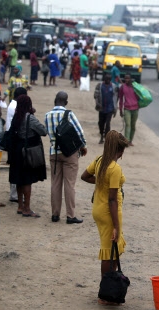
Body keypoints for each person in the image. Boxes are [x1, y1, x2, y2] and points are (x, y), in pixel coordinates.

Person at [80, 130, 130, 306]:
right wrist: (116, 225)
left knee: (113, 249)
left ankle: (111, 288)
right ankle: (106, 293)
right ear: (120, 150)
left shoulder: (100, 161)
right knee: (108, 252)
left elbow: (85, 176)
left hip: (99, 210)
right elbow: (112, 199)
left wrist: (101, 182)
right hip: (109, 213)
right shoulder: (114, 169)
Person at [45, 91, 88, 223]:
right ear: (66, 102)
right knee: (69, 184)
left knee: (55, 184)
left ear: (55, 100)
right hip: (69, 154)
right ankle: (70, 215)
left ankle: (55, 214)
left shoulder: (47, 116)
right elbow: (80, 132)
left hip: (54, 153)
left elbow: (49, 133)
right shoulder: (69, 114)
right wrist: (83, 147)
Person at [8, 95, 47, 218]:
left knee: (19, 179)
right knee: (27, 181)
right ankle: (27, 208)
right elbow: (43, 131)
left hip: (16, 151)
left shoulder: (16, 117)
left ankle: (20, 206)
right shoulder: (30, 118)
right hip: (27, 152)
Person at [4, 87, 28, 203]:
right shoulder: (15, 107)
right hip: (15, 139)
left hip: (12, 138)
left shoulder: (12, 105)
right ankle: (15, 194)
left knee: (14, 166)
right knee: (16, 167)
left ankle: (15, 193)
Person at [117, 74, 139, 146]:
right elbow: (120, 99)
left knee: (133, 126)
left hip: (135, 108)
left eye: (128, 78)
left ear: (130, 79)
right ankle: (126, 141)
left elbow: (139, 96)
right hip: (127, 108)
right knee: (128, 124)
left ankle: (130, 141)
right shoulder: (122, 87)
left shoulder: (135, 87)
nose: (127, 80)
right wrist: (120, 109)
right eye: (125, 78)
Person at [94, 73, 116, 144]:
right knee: (101, 123)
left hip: (110, 108)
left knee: (108, 123)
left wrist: (115, 108)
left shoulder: (113, 86)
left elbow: (115, 97)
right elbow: (96, 95)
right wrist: (97, 103)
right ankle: (101, 135)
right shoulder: (100, 86)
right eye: (107, 79)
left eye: (109, 79)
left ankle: (107, 138)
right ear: (104, 79)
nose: (108, 81)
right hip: (102, 108)